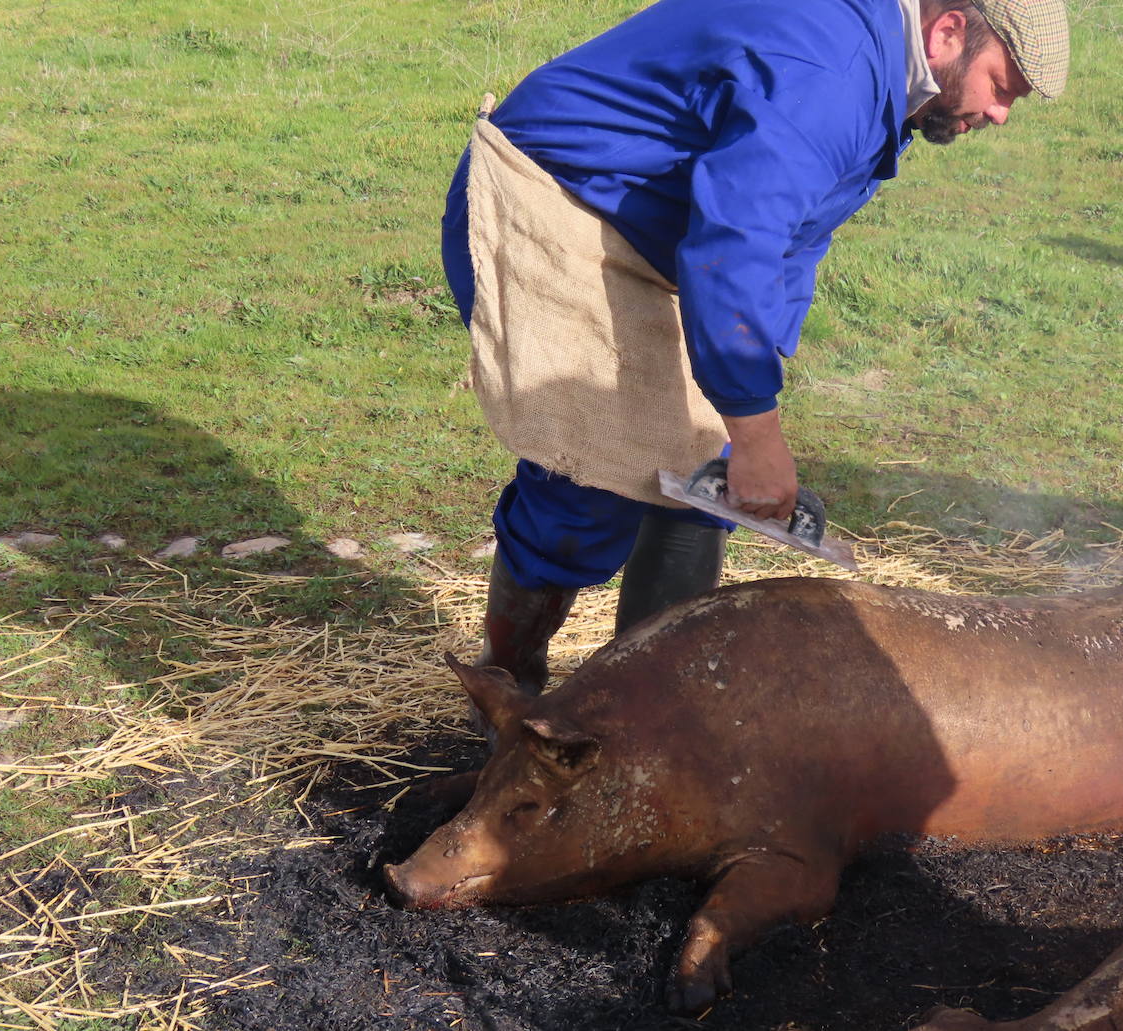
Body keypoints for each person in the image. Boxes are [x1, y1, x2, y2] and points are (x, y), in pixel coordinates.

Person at [440, 0, 1069, 705]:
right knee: (586, 479)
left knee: (705, 488)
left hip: (649, 233)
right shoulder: (829, 70)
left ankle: (641, 718)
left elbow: (791, 233)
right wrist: (755, 425)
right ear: (947, 31)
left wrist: (756, 375)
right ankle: (505, 697)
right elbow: (735, 245)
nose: (1002, 112)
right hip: (555, 197)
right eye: (1001, 85)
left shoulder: (883, 72)